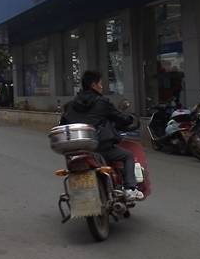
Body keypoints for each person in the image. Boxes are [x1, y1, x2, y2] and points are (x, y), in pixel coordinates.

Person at [61, 70, 144, 201]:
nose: (102, 86)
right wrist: (130, 118)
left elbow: (63, 124)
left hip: (78, 150)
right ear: (94, 85)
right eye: (100, 83)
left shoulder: (71, 105)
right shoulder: (102, 102)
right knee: (128, 155)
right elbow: (120, 118)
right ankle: (130, 189)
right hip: (100, 147)